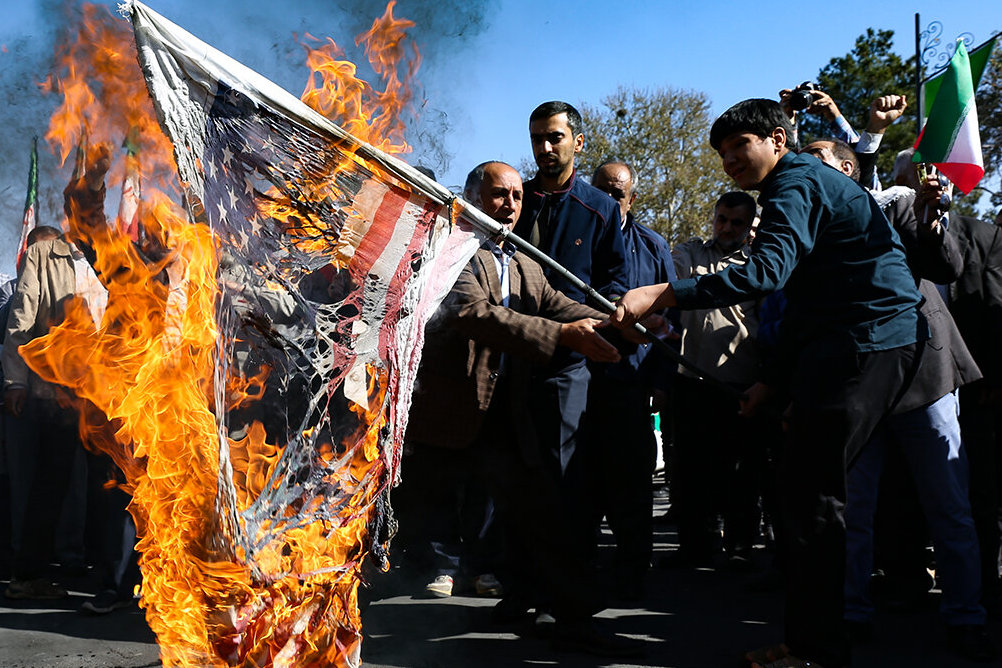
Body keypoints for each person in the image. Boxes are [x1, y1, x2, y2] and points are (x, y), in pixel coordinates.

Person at [611, 98, 934, 668]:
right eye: (722, 152)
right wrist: (774, 382)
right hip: (846, 344)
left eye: (742, 145)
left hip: (871, 342)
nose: (731, 159)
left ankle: (814, 650)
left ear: (777, 140)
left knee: (812, 496)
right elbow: (804, 301)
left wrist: (662, 294)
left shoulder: (794, 183)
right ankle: (812, 640)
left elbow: (765, 274)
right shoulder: (798, 186)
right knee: (802, 489)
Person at [414, 160, 640, 657]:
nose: (511, 205)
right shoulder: (449, 250)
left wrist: (616, 320)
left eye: (517, 196)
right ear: (472, 195)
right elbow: (476, 314)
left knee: (535, 511)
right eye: (499, 194)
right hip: (447, 414)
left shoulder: (518, 257)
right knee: (420, 516)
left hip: (501, 414)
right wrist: (561, 335)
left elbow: (556, 301)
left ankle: (559, 611)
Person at [802, 137, 992, 661]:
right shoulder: (807, 228)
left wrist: (934, 216)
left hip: (922, 379)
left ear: (847, 168)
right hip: (856, 387)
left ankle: (965, 618)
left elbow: (946, 264)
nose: (803, 168)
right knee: (851, 511)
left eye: (816, 158)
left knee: (948, 506)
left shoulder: (899, 205)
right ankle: (851, 614)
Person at [512, 101, 630, 483]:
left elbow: (615, 282)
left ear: (577, 142)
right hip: (509, 351)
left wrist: (592, 326)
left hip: (567, 362)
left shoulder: (600, 208)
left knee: (561, 474)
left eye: (554, 138)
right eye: (536, 139)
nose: (545, 148)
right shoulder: (513, 200)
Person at [667, 191, 769, 569]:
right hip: (692, 379)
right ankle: (694, 546)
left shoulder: (760, 262)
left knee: (742, 471)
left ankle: (740, 547)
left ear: (749, 225)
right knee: (690, 470)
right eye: (721, 219)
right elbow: (667, 273)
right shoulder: (691, 253)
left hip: (740, 382)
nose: (726, 228)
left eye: (736, 222)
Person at [588, 160, 675, 599]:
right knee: (579, 480)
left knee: (631, 484)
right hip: (578, 381)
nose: (609, 199)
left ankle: (632, 570)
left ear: (631, 198)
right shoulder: (576, 237)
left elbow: (675, 320)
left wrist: (661, 381)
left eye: (617, 193)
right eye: (600, 190)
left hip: (632, 381)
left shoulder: (654, 247)